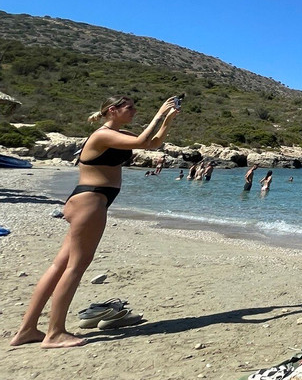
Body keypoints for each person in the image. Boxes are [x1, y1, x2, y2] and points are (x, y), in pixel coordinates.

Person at [9, 94, 180, 348]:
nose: (134, 111)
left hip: (90, 202)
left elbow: (152, 144)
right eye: (129, 108)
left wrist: (167, 120)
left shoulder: (118, 134)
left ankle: (27, 330)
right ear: (112, 110)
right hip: (91, 201)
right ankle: (54, 333)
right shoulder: (101, 135)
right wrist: (159, 112)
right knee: (75, 267)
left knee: (60, 266)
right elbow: (144, 141)